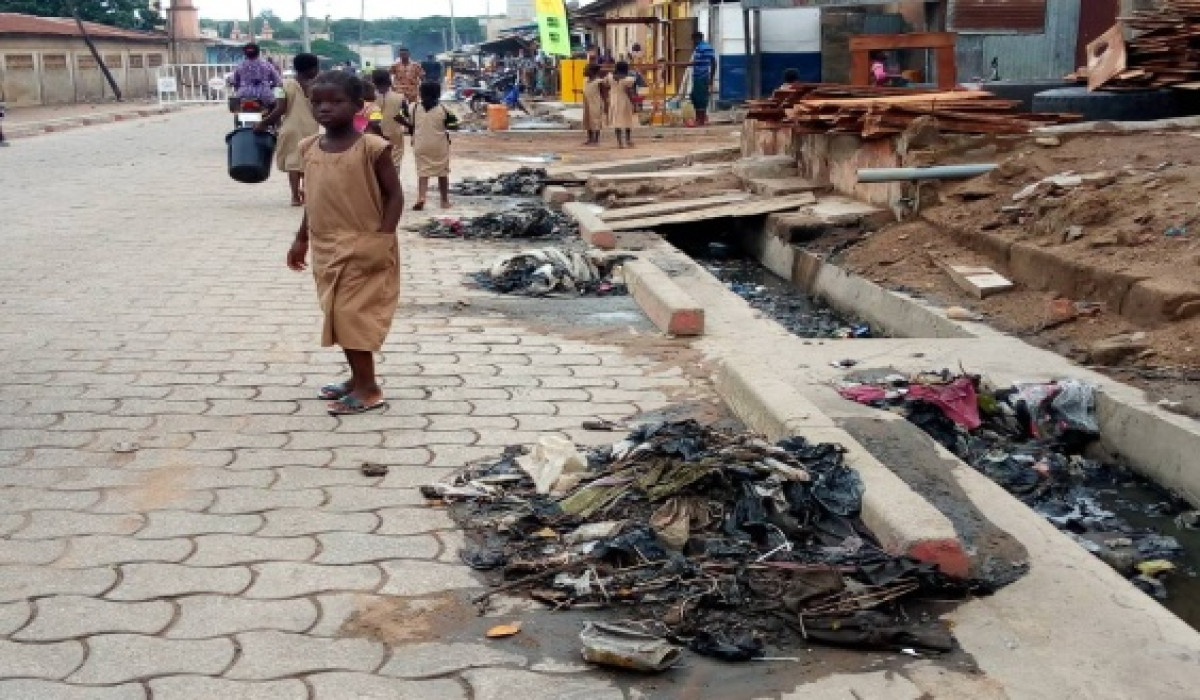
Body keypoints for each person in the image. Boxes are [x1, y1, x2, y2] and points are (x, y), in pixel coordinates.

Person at [287, 71, 405, 416]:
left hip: (365, 243)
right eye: (318, 102)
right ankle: (357, 379)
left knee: (352, 315)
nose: (325, 108)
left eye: (336, 101)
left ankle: (369, 390)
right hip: (326, 246)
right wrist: (300, 239)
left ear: (357, 105)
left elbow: (395, 196)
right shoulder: (308, 147)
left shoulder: (372, 147)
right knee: (337, 314)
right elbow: (313, 198)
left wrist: (382, 238)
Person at [258, 53, 321, 206]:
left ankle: (294, 197)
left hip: (290, 128)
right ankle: (306, 193)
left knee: (293, 163)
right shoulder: (318, 86)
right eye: (316, 67)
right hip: (311, 129)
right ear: (311, 69)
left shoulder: (282, 85)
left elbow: (279, 109)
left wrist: (263, 123)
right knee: (308, 162)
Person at [411, 81, 457, 211]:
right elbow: (454, 125)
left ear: (420, 93)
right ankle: (444, 201)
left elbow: (399, 117)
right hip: (439, 145)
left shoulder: (413, 107)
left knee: (422, 172)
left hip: (420, 144)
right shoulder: (444, 109)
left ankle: (421, 197)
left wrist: (412, 127)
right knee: (442, 173)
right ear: (438, 94)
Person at [371, 69, 410, 177]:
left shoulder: (370, 98)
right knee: (395, 161)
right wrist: (409, 126)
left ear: (373, 82)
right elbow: (406, 114)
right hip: (394, 134)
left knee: (376, 160)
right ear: (389, 81)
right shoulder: (399, 97)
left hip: (373, 135)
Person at [230, 43, 282, 107]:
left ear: (245, 54)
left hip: (243, 96)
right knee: (274, 107)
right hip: (265, 96)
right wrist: (271, 86)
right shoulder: (267, 65)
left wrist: (239, 88)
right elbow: (278, 81)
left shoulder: (240, 65)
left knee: (238, 111)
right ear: (258, 53)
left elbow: (233, 81)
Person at [606, 61, 636, 149]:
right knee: (627, 120)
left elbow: (606, 85)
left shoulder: (610, 77)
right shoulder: (628, 79)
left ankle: (619, 142)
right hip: (624, 100)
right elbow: (629, 92)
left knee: (616, 121)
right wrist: (633, 102)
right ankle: (628, 140)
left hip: (613, 99)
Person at [689, 32, 716, 126]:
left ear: (696, 39)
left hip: (700, 76)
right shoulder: (709, 47)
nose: (692, 42)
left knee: (699, 98)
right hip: (704, 76)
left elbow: (695, 63)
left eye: (692, 40)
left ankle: (700, 120)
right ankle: (701, 118)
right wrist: (711, 78)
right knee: (695, 97)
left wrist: (674, 64)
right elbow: (714, 63)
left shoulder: (700, 48)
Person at [581, 63, 607, 146]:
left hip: (596, 103)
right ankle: (590, 138)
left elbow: (604, 94)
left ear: (592, 71)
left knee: (595, 121)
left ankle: (596, 139)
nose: (584, 71)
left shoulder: (599, 82)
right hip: (587, 104)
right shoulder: (586, 81)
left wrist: (606, 105)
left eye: (585, 69)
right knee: (587, 120)